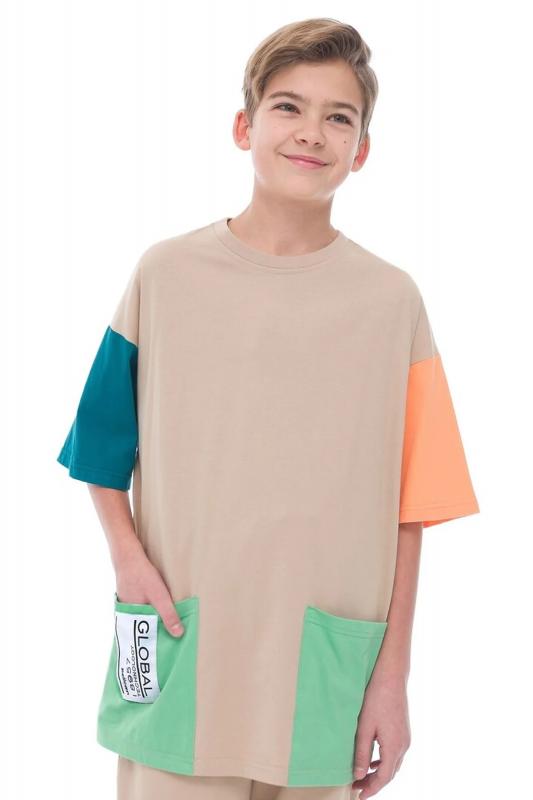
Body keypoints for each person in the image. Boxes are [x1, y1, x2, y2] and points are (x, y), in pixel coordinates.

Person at [56, 17, 480, 800]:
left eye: (338, 117)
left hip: (324, 671)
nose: (311, 132)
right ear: (243, 126)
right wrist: (126, 560)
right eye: (288, 106)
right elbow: (99, 448)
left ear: (361, 150)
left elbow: (412, 508)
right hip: (183, 642)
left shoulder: (391, 302)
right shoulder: (166, 275)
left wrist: (393, 676)